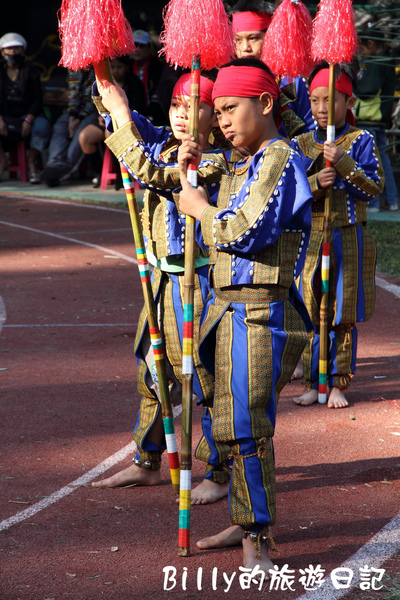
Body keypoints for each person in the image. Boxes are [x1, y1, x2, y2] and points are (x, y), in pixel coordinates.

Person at [177, 57, 313, 575]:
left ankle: (259, 531)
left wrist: (200, 210)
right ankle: (244, 515)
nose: (223, 120)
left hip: (262, 313)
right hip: (224, 309)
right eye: (217, 111)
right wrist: (187, 158)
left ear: (265, 102)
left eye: (231, 108)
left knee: (246, 425)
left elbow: (246, 230)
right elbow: (165, 174)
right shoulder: (240, 159)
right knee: (224, 421)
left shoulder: (280, 158)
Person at [90, 70, 234, 504]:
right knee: (152, 372)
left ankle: (219, 470)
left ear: (216, 116)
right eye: (176, 105)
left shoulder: (219, 161)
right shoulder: (161, 142)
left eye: (195, 108)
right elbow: (126, 120)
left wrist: (119, 114)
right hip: (159, 280)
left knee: (205, 377)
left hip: (198, 283)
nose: (182, 116)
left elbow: (157, 174)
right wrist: (105, 78)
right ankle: (148, 460)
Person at [290, 62, 385, 409]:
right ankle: (315, 382)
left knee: (343, 313)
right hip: (311, 239)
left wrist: (343, 163)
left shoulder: (361, 140)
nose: (320, 108)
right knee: (312, 312)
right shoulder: (300, 142)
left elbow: (374, 189)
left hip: (349, 238)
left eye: (330, 100)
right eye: (315, 100)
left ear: (349, 102)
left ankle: (339, 384)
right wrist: (316, 184)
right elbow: (290, 192)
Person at [229, 0, 314, 138]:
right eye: (238, 40)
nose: (245, 48)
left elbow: (311, 132)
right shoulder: (227, 80)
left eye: (254, 38)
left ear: (271, 38)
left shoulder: (291, 81)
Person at [78, 55, 146, 188]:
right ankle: (97, 173)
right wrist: (101, 116)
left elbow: (138, 108)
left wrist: (118, 116)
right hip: (105, 120)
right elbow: (96, 104)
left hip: (128, 121)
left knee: (110, 135)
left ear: (126, 67)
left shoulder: (135, 83)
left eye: (119, 67)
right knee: (84, 137)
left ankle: (121, 173)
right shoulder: (103, 83)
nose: (115, 71)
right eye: (112, 67)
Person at [354, 26, 399, 212]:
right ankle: (392, 200)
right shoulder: (385, 60)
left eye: (363, 48)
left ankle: (372, 203)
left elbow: (366, 90)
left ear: (370, 44)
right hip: (378, 119)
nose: (363, 53)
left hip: (369, 118)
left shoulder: (377, 62)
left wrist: (356, 78)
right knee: (383, 161)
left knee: (369, 161)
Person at [0, 32, 51, 183]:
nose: (13, 52)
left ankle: (31, 163)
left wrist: (29, 119)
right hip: (5, 115)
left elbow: (37, 99)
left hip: (27, 115)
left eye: (17, 48)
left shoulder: (31, 70)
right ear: (2, 52)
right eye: (9, 49)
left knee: (42, 128)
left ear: (23, 51)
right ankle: (3, 160)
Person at [41, 67, 97, 187]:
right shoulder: (74, 69)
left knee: (82, 129)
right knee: (60, 126)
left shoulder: (99, 69)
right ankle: (54, 164)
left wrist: (78, 119)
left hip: (95, 111)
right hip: (75, 111)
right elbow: (73, 94)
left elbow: (94, 101)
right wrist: (72, 117)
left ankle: (67, 166)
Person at [130, 30, 165, 125]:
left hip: (155, 114)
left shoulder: (158, 68)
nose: (137, 49)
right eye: (135, 45)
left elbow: (159, 95)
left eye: (142, 46)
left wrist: (149, 115)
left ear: (149, 48)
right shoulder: (126, 67)